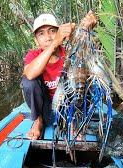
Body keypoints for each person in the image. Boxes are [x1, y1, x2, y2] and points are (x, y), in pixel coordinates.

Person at [22, 12, 97, 140]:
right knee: (28, 82)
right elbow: (29, 74)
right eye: (41, 33)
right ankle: (38, 121)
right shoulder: (33, 56)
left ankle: (73, 120)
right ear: (36, 40)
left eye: (52, 31)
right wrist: (54, 44)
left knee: (85, 76)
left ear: (59, 32)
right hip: (44, 106)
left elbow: (85, 55)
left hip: (67, 103)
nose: (48, 37)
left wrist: (86, 29)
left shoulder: (70, 51)